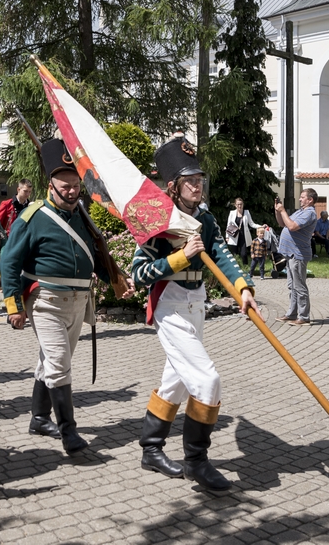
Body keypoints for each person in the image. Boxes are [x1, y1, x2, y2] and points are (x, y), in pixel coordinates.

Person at [131, 133, 257, 494]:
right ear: (173, 185)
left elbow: (222, 256)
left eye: (199, 179)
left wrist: (243, 288)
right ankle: (196, 461)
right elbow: (139, 274)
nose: (197, 186)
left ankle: (151, 448)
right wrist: (180, 257)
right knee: (206, 380)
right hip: (169, 308)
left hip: (196, 304)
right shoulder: (159, 220)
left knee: (176, 380)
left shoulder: (206, 218)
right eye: (189, 180)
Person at [2, 139, 129, 455]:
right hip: (45, 301)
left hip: (78, 302)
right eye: (65, 186)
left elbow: (95, 255)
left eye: (75, 186)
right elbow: (9, 261)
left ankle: (39, 418)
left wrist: (116, 279)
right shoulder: (32, 216)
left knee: (52, 361)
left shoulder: (82, 217)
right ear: (50, 185)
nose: (72, 191)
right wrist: (14, 305)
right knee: (59, 363)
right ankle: (68, 432)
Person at [274, 188, 319, 326]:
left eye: (302, 197)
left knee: (299, 286)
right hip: (290, 254)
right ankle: (292, 314)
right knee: (292, 286)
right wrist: (278, 211)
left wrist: (283, 211)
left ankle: (304, 317)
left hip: (298, 255)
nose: (300, 199)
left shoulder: (310, 213)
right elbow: (283, 223)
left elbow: (292, 226)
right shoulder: (301, 211)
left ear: (310, 200)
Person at [224, 198, 260, 266]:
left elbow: (252, 224)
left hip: (243, 236)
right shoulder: (232, 213)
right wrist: (227, 237)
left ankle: (245, 267)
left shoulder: (246, 212)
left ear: (243, 204)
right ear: (235, 205)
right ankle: (235, 268)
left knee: (244, 254)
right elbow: (228, 225)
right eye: (238, 204)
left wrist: (260, 226)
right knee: (235, 254)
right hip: (234, 236)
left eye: (241, 204)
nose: (239, 206)